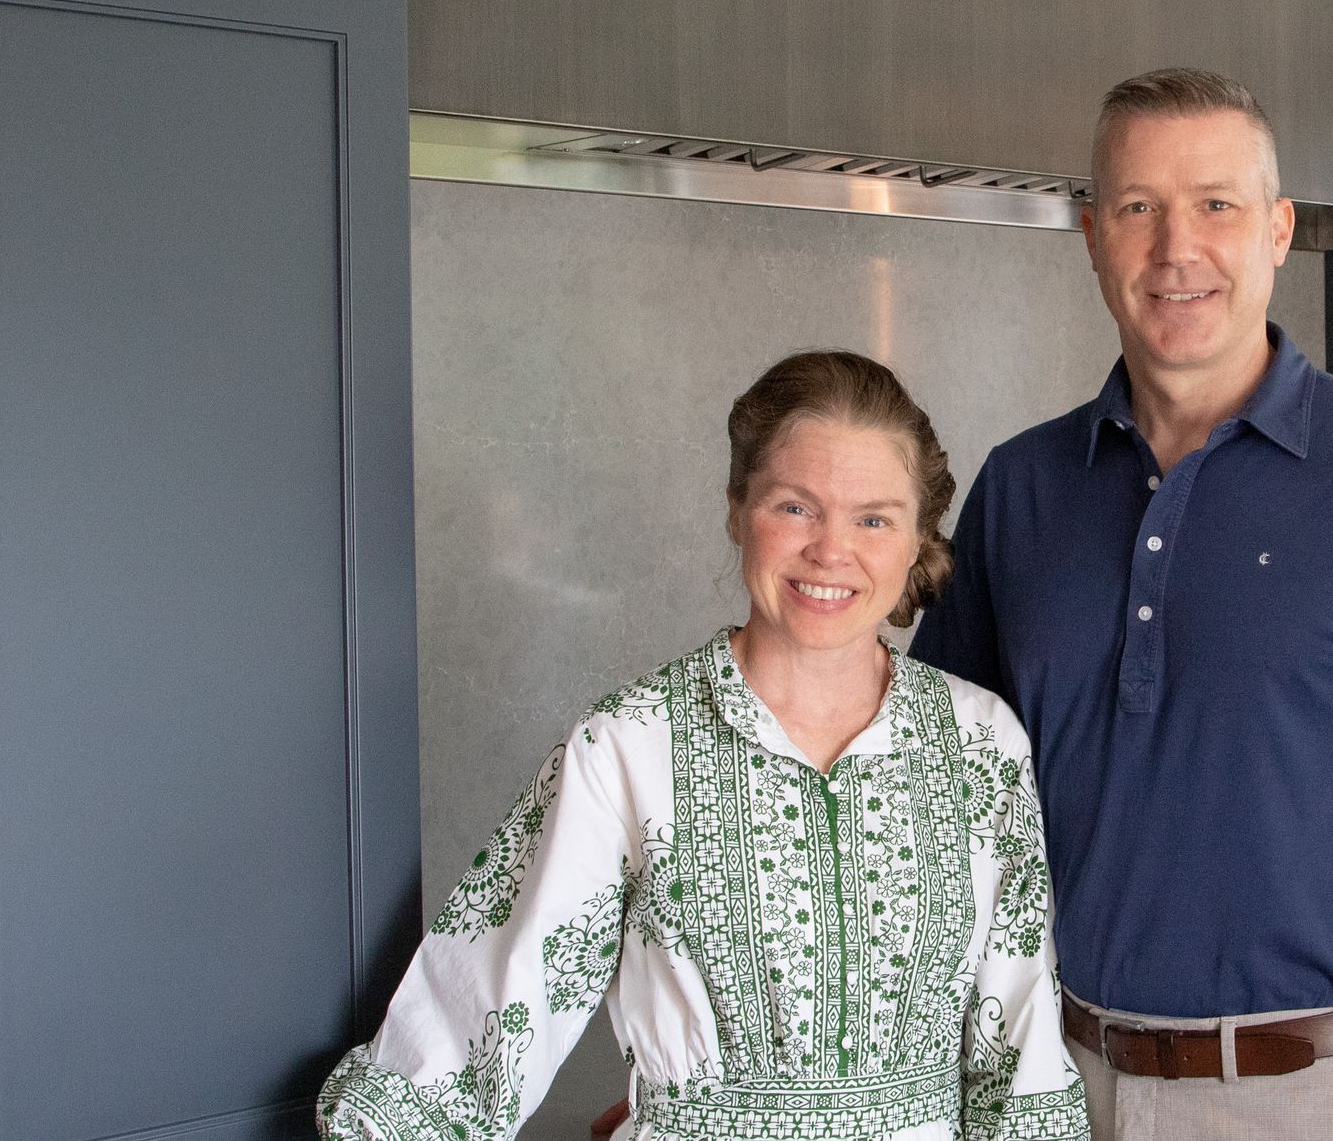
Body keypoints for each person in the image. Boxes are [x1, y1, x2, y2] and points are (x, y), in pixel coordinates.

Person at [911, 68, 1333, 1141]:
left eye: (1214, 203)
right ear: (1089, 236)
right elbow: (925, 813)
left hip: (1318, 1095)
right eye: (1137, 208)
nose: (1176, 248)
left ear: (1276, 229)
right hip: (1048, 1086)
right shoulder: (1019, 490)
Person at [317, 350, 1090, 1141]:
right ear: (737, 509)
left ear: (916, 538)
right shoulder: (628, 745)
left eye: (873, 518)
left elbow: (1018, 1044)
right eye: (795, 507)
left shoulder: (980, 740)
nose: (832, 550)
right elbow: (486, 1009)